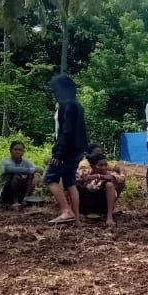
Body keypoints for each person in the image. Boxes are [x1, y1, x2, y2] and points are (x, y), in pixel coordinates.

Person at [44, 74, 88, 226]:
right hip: (76, 150)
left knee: (49, 178)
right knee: (70, 182)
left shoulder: (67, 106)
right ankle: (76, 219)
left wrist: (58, 152)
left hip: (66, 150)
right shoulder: (77, 104)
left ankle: (66, 211)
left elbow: (66, 131)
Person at [76, 148, 126, 226]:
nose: (104, 167)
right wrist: (84, 179)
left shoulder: (109, 174)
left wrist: (99, 176)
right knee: (70, 184)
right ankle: (74, 213)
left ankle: (109, 216)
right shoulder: (85, 170)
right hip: (84, 205)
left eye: (106, 165)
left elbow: (119, 179)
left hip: (101, 205)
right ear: (92, 165)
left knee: (110, 185)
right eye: (100, 165)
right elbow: (81, 177)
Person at [0, 141, 42, 209]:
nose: (18, 152)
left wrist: (37, 174)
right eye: (15, 149)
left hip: (21, 191)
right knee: (17, 175)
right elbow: (10, 169)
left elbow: (38, 169)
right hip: (7, 192)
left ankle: (25, 199)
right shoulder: (6, 161)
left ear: (23, 152)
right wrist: (32, 170)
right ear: (10, 150)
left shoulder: (26, 162)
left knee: (32, 175)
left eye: (20, 150)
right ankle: (15, 201)